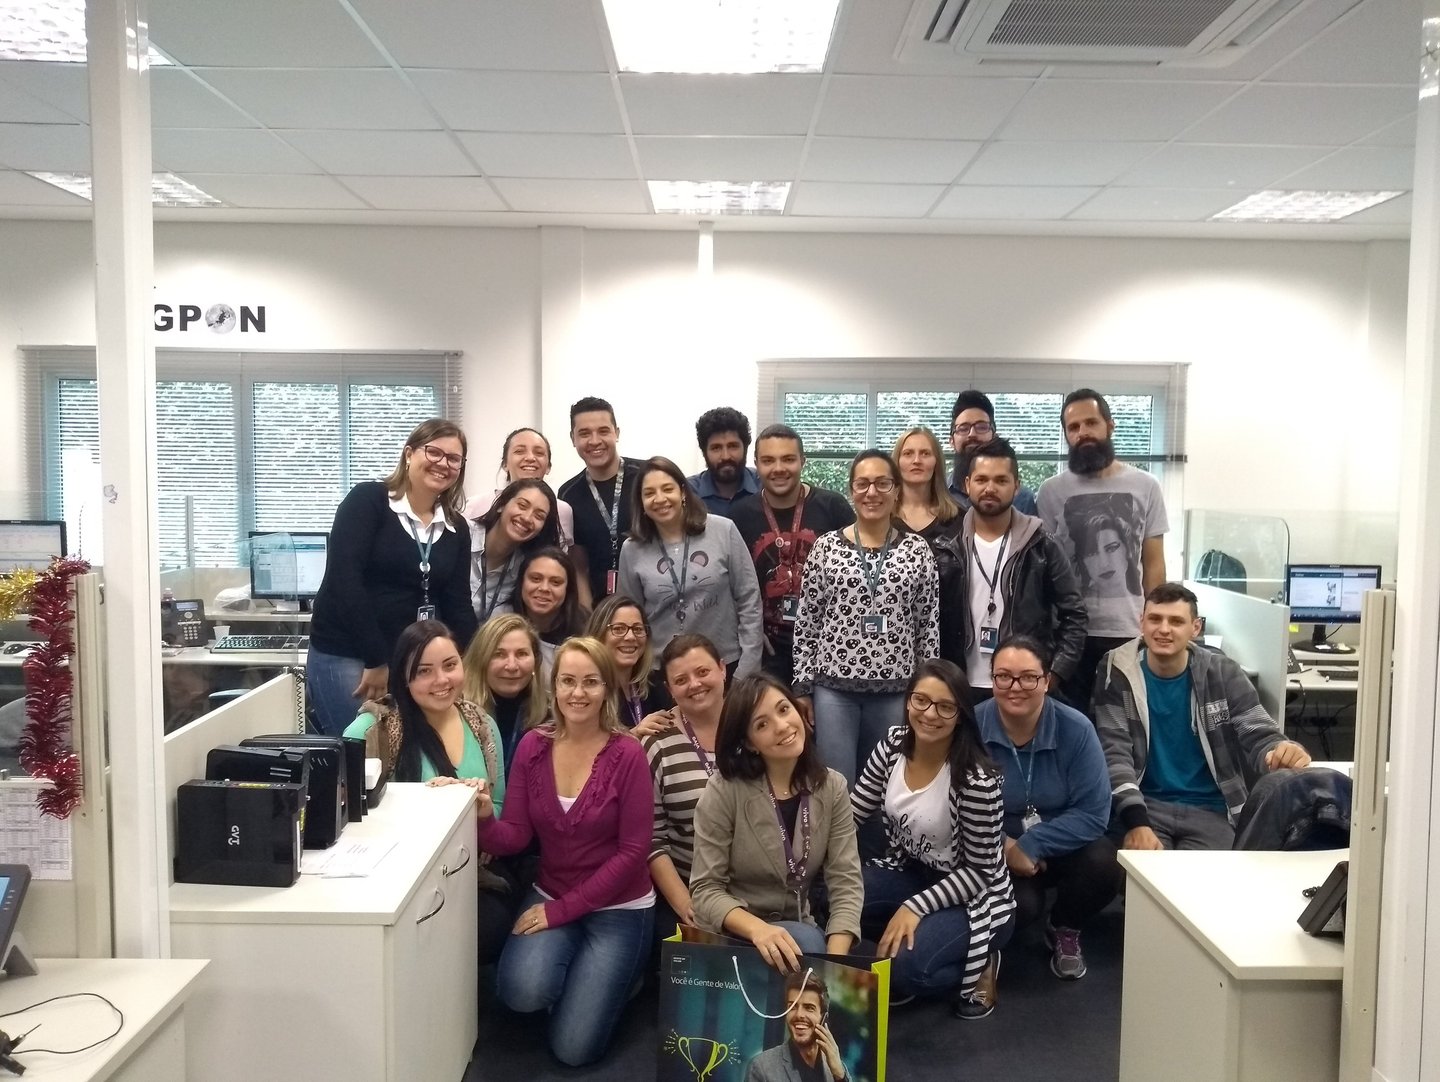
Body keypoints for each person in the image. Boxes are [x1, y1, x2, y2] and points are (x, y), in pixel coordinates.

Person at [474, 637, 654, 1068]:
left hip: (620, 907)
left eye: (591, 682)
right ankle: (587, 976)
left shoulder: (628, 753)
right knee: (517, 992)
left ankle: (622, 977)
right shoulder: (534, 747)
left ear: (607, 689)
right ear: (553, 687)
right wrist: (481, 818)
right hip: (553, 891)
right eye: (568, 681)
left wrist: (560, 913)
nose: (578, 693)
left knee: (574, 1050)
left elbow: (633, 852)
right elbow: (515, 836)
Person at [851, 659, 1015, 1018]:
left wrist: (915, 907)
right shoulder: (893, 745)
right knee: (837, 896)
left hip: (973, 896)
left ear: (961, 715)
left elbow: (980, 873)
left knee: (908, 972)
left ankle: (983, 960)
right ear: (908, 701)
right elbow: (852, 813)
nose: (930, 714)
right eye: (921, 700)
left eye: (945, 706)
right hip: (911, 872)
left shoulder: (976, 782)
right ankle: (912, 939)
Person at [1096, 583, 1312, 851]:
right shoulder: (1117, 672)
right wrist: (1136, 821)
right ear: (1141, 622)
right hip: (1146, 806)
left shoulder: (1222, 673)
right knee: (1150, 880)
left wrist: (1281, 750)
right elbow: (1114, 753)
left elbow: (1258, 731)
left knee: (1208, 886)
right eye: (1155, 619)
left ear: (1195, 628)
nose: (1164, 629)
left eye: (1176, 621)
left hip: (1211, 809)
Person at [345, 620, 511, 964]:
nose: (442, 681)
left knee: (486, 929)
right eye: (424, 671)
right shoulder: (374, 729)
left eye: (450, 666)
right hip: (394, 875)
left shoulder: (482, 724)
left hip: (469, 871)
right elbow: (343, 812)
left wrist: (479, 808)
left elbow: (499, 807)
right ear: (404, 679)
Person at [307, 418, 477, 736]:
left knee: (401, 757)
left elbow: (458, 604)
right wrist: (376, 659)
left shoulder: (456, 527)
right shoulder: (368, 501)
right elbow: (345, 581)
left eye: (454, 459)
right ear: (409, 453)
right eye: (434, 452)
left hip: (412, 662)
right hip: (350, 654)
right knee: (362, 756)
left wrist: (471, 662)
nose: (443, 464)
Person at [690, 674, 863, 970]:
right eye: (762, 724)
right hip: (737, 931)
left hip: (800, 929)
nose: (782, 726)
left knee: (818, 952)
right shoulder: (724, 790)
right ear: (749, 742)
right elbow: (705, 890)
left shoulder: (832, 786)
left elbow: (845, 882)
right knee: (805, 946)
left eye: (784, 710)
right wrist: (757, 929)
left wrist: (834, 966)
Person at [791, 450, 940, 786]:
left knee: (885, 784)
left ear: (897, 490)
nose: (872, 492)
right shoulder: (826, 547)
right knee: (835, 783)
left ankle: (879, 843)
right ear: (851, 490)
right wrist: (803, 688)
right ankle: (839, 842)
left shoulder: (917, 550)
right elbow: (807, 622)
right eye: (863, 484)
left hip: (896, 689)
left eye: (882, 483)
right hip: (834, 690)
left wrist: (926, 692)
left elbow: (927, 626)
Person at [976, 637, 1114, 982]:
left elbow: (1095, 811)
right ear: (991, 679)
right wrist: (1005, 845)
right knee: (1021, 908)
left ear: (1047, 681)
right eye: (1003, 677)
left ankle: (1065, 927)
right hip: (995, 847)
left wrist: (1032, 844)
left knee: (1106, 862)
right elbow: (952, 805)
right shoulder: (971, 727)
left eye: (1028, 677)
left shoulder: (1076, 729)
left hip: (1063, 843)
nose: (1015, 687)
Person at [1037, 388, 1168, 709]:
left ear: (1110, 425)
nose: (1083, 433)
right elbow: (1045, 571)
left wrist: (1157, 622)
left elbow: (1153, 565)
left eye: (1091, 423)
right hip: (1070, 635)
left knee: (1126, 728)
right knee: (1074, 726)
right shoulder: (1051, 492)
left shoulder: (1146, 486)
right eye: (1073, 427)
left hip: (1128, 631)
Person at [933, 438, 1087, 703]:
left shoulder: (1042, 546)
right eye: (981, 480)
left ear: (1016, 487)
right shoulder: (945, 547)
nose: (990, 488)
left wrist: (1054, 674)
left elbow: (1075, 615)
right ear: (968, 484)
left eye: (1001, 480)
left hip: (1020, 687)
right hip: (959, 686)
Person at [618, 456, 763, 682]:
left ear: (683, 492)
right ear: (641, 502)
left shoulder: (723, 530)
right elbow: (629, 617)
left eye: (668, 489)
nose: (660, 499)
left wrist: (747, 669)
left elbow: (749, 600)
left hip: (725, 667)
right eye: (649, 493)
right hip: (662, 673)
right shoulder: (632, 549)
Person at [729, 424, 854, 687]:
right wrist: (748, 634)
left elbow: (857, 573)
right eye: (768, 460)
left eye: (788, 459)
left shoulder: (833, 507)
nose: (778, 468)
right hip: (767, 652)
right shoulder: (739, 515)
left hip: (827, 648)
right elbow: (730, 584)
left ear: (803, 461)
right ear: (756, 464)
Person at [642, 633, 728, 942]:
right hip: (688, 888)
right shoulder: (656, 743)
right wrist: (686, 905)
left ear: (722, 669)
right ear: (668, 690)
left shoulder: (755, 726)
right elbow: (652, 839)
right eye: (681, 680)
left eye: (703, 672)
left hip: (757, 890)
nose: (694, 684)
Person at [557, 396, 644, 604]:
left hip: (652, 600)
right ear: (573, 438)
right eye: (584, 433)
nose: (595, 441)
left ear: (617, 433)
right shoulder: (568, 494)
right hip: (599, 605)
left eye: (603, 431)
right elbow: (579, 566)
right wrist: (587, 617)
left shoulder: (647, 476)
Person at [464, 425, 577, 554]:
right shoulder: (474, 506)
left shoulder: (563, 511)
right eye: (519, 451)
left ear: (548, 466)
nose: (530, 458)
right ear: (505, 464)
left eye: (539, 453)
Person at [468, 477, 560, 623]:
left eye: (539, 516)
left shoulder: (526, 569)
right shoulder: (461, 533)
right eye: (522, 506)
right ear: (501, 505)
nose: (527, 518)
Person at [462, 613, 547, 770]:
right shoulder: (457, 716)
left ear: (535, 660)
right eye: (499, 654)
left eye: (521, 654)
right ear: (481, 661)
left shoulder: (550, 715)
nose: (512, 666)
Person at [585, 593, 670, 727]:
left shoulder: (653, 684)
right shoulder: (587, 688)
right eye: (618, 629)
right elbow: (584, 745)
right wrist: (634, 736)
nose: (630, 637)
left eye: (637, 629)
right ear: (598, 634)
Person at [744, 971, 846, 1082]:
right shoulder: (761, 1067)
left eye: (809, 1008)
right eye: (792, 1006)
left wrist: (840, 1077)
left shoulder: (837, 1068)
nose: (799, 1015)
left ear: (824, 1017)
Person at [948, 390, 1038, 516]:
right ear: (951, 441)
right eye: (963, 428)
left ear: (994, 436)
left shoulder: (1022, 498)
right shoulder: (938, 495)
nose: (972, 434)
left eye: (981, 427)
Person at [513, 547, 588, 681]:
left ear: (568, 590)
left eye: (555, 582)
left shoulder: (585, 630)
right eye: (535, 579)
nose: (544, 588)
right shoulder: (501, 619)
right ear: (521, 582)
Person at [686, 406, 761, 517]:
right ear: (704, 452)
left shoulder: (763, 485)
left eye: (733, 446)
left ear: (745, 447)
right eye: (716, 448)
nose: (725, 456)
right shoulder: (688, 493)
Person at [892, 426, 960, 541]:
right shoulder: (881, 518)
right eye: (908, 453)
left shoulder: (958, 520)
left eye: (925, 453)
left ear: (936, 462)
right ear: (897, 462)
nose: (917, 460)